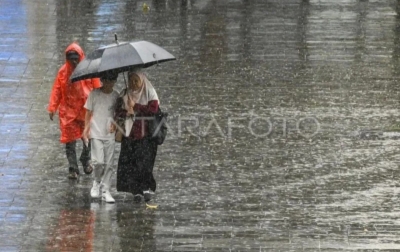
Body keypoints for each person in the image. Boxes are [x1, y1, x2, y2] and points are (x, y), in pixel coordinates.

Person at [48, 42, 101, 179]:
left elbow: (97, 87)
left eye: (75, 58)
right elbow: (57, 90)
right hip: (69, 111)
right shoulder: (63, 72)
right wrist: (53, 107)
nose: (73, 61)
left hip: (85, 110)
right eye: (71, 58)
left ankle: (86, 159)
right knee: (70, 140)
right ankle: (73, 168)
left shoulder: (88, 70)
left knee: (88, 137)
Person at [114, 70, 159, 203]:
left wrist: (137, 106)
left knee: (144, 162)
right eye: (131, 80)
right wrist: (126, 110)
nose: (133, 84)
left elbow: (154, 109)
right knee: (131, 163)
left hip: (147, 134)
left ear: (142, 80)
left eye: (136, 81)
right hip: (130, 134)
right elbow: (117, 112)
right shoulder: (124, 94)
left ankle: (146, 187)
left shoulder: (150, 92)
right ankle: (136, 191)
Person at [83, 71, 119, 203]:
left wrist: (115, 123)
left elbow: (119, 113)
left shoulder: (116, 96)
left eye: (112, 81)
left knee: (109, 164)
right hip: (96, 132)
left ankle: (106, 190)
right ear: (102, 80)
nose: (109, 84)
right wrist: (86, 128)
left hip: (109, 134)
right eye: (107, 81)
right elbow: (88, 111)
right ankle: (96, 182)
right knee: (98, 162)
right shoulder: (94, 94)